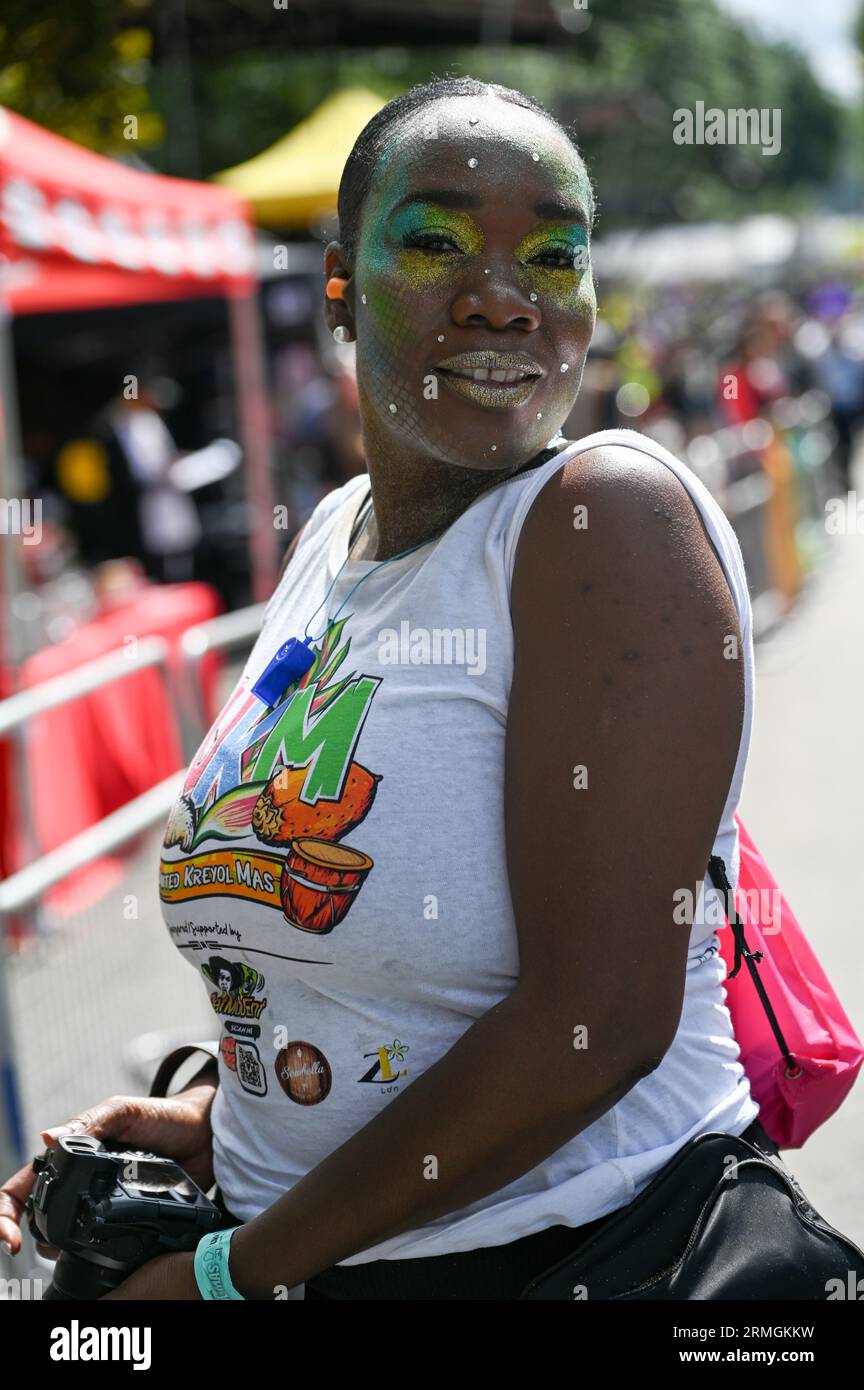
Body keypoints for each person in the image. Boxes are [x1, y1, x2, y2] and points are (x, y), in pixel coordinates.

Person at [1, 77, 774, 1301]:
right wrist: (220, 1113)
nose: (503, 296)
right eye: (435, 241)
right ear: (341, 286)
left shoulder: (603, 520)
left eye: (555, 255)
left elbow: (602, 1022)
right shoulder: (332, 536)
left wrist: (223, 1277)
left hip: (570, 1260)